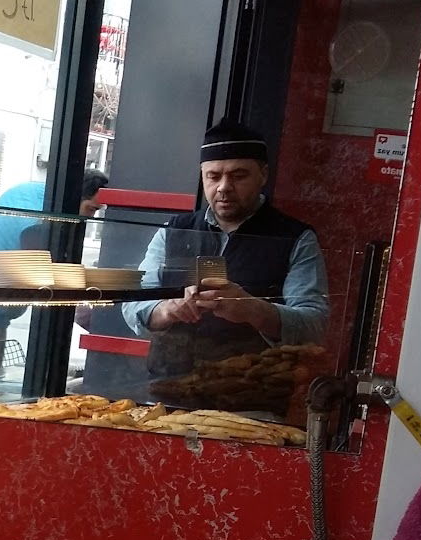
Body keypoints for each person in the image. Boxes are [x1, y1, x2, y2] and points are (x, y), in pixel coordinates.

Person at [121, 119, 329, 384]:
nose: (223, 187)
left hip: (254, 395)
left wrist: (252, 309)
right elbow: (133, 303)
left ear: (263, 175)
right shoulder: (173, 231)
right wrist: (169, 309)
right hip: (169, 389)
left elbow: (315, 325)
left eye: (238, 175)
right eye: (214, 176)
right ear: (203, 176)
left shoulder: (295, 238)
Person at [0, 165, 108, 378]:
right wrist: (90, 315)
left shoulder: (39, 195)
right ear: (75, 196)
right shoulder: (37, 219)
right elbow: (45, 275)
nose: (91, 218)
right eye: (91, 209)